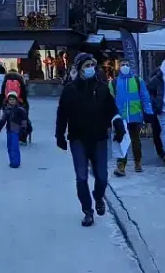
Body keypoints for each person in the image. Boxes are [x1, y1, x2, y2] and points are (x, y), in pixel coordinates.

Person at [55, 53, 124, 227]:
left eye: (91, 65)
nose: (90, 69)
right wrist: (59, 135)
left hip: (99, 137)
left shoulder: (101, 88)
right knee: (81, 177)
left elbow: (112, 109)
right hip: (78, 138)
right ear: (79, 69)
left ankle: (98, 196)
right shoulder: (70, 90)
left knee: (102, 177)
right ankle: (87, 211)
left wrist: (118, 124)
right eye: (86, 66)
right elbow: (62, 114)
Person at [109, 58, 152, 176]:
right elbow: (109, 100)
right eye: (123, 64)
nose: (125, 66)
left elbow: (145, 97)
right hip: (121, 117)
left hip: (135, 116)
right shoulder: (114, 82)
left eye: (127, 64)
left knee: (136, 141)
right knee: (121, 141)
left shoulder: (138, 80)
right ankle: (121, 166)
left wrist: (148, 113)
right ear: (119, 67)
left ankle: (138, 162)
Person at [0, 92, 28, 168]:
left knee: (14, 146)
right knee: (9, 146)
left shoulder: (20, 109)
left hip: (16, 130)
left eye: (13, 99)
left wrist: (24, 129)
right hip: (9, 129)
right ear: (8, 100)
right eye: (10, 99)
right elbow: (3, 120)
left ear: (16, 100)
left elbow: (24, 120)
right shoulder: (7, 109)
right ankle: (12, 161)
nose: (12, 101)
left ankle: (15, 163)